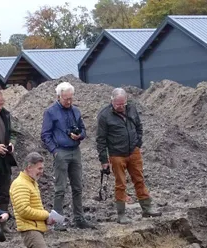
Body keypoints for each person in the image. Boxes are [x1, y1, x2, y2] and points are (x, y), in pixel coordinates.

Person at [96, 88, 162, 224]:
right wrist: (104, 160)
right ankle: (121, 214)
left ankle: (147, 208)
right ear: (112, 100)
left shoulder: (132, 109)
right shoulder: (104, 115)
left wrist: (138, 143)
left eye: (123, 104)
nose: (121, 107)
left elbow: (139, 126)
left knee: (139, 179)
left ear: (126, 101)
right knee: (120, 184)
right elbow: (101, 139)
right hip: (116, 155)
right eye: (118, 104)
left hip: (133, 151)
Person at [40, 82, 95, 230]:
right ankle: (57, 222)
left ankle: (79, 218)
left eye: (71, 98)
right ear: (59, 97)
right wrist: (54, 151)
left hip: (75, 151)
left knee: (77, 187)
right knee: (60, 188)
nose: (69, 102)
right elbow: (45, 134)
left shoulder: (76, 111)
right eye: (66, 99)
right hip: (61, 151)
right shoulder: (50, 112)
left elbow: (83, 129)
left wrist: (80, 136)